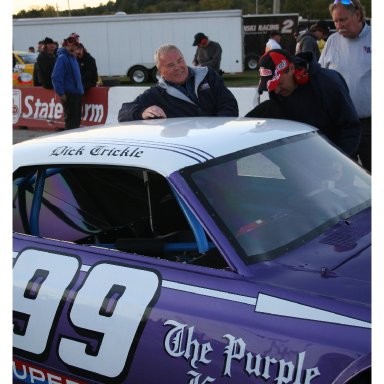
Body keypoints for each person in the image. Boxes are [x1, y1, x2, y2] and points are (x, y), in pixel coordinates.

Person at [246, 49, 361, 158]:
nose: (276, 91)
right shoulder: (278, 91)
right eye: (271, 87)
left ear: (291, 68)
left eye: (279, 83)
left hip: (338, 158)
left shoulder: (328, 82)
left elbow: (350, 127)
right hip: (303, 161)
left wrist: (340, 159)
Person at [118, 44, 238, 122]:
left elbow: (229, 104)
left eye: (180, 61)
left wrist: (218, 130)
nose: (178, 67)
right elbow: (123, 112)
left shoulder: (208, 75)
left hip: (222, 144)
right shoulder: (157, 93)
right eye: (170, 65)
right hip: (191, 153)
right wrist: (142, 112)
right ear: (161, 72)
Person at [319, 0, 371, 172]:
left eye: (343, 20)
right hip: (341, 125)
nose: (339, 25)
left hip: (369, 126)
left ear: (357, 15)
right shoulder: (332, 41)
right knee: (345, 175)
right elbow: (321, 76)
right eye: (335, 21)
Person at [52, 33, 84, 130]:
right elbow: (56, 77)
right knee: (71, 122)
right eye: (72, 44)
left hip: (77, 94)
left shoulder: (73, 58)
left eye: (76, 45)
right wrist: (61, 93)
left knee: (76, 121)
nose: (74, 47)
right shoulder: (63, 58)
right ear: (66, 44)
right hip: (70, 95)